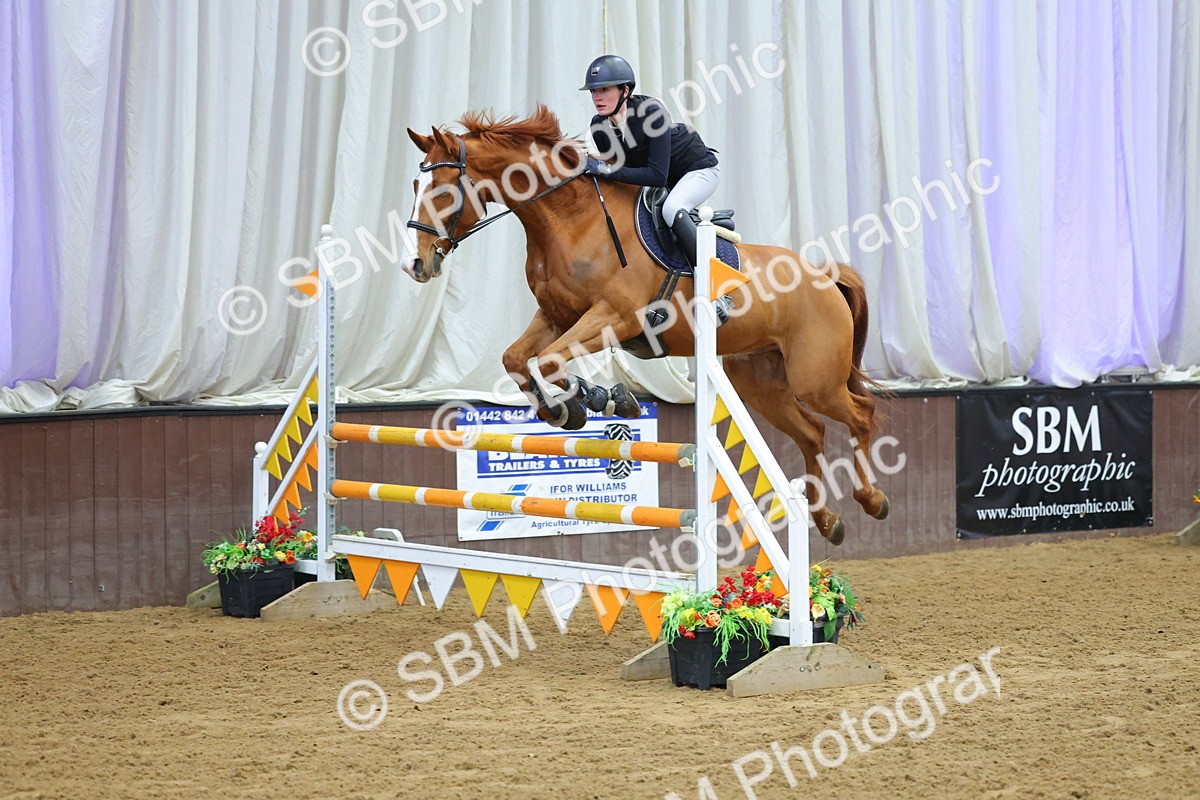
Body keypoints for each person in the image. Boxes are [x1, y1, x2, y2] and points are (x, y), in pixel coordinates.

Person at [580, 54, 719, 266]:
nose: (597, 97)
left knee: (671, 208)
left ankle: (712, 279)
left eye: (605, 89)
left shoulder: (653, 113)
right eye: (594, 91)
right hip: (665, 178)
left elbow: (656, 176)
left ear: (625, 91)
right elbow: (620, 169)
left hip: (697, 170)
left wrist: (604, 169)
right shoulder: (599, 127)